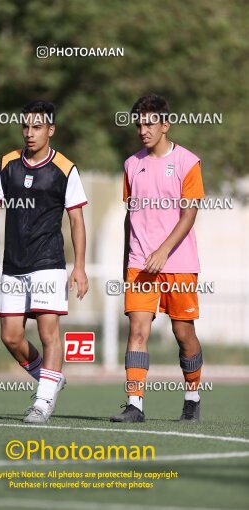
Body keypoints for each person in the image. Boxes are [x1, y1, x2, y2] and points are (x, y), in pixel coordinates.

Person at [0, 100, 89, 423]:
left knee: (50, 332)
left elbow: (76, 220)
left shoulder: (65, 169)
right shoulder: (8, 163)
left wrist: (79, 266)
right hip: (14, 264)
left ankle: (43, 402)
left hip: (48, 261)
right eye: (26, 126)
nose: (29, 133)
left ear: (51, 130)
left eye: (37, 127)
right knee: (10, 336)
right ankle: (50, 379)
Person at [111, 94, 205, 423]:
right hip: (139, 264)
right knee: (137, 330)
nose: (143, 130)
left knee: (183, 333)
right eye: (139, 124)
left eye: (149, 123)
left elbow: (189, 214)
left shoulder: (187, 162)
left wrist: (164, 250)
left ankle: (192, 397)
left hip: (178, 264)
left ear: (165, 125)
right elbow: (130, 216)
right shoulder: (130, 165)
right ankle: (134, 404)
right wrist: (127, 261)